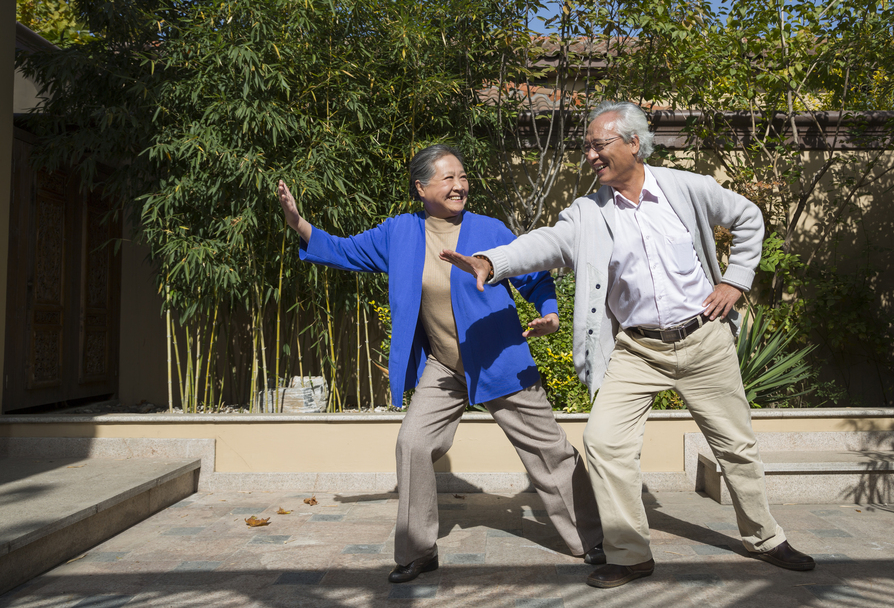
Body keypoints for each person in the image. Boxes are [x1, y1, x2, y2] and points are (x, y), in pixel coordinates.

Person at [442, 102, 815, 588]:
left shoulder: (687, 189)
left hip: (704, 341)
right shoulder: (588, 213)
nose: (592, 155)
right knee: (603, 441)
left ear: (633, 143)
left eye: (600, 145)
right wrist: (493, 262)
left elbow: (747, 218)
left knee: (736, 446)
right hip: (637, 350)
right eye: (588, 148)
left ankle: (764, 538)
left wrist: (737, 281)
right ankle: (630, 553)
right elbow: (546, 243)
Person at [276, 144, 603, 584]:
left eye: (463, 177)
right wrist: (297, 223)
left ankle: (593, 539)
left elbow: (533, 274)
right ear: (422, 187)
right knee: (412, 444)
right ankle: (418, 551)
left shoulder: (489, 228)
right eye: (448, 178)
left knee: (550, 452)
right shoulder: (400, 233)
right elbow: (344, 250)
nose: (460, 185)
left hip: (498, 359)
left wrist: (549, 310)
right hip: (445, 367)